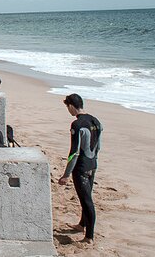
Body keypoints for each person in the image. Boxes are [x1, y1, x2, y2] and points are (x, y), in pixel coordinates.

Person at [58, 93, 102, 245]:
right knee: (87, 196)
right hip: (92, 164)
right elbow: (98, 147)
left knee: (86, 201)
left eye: (67, 107)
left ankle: (89, 236)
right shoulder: (95, 121)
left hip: (81, 167)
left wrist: (66, 174)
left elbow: (74, 152)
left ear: (71, 106)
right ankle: (81, 225)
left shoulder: (77, 125)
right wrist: (93, 163)